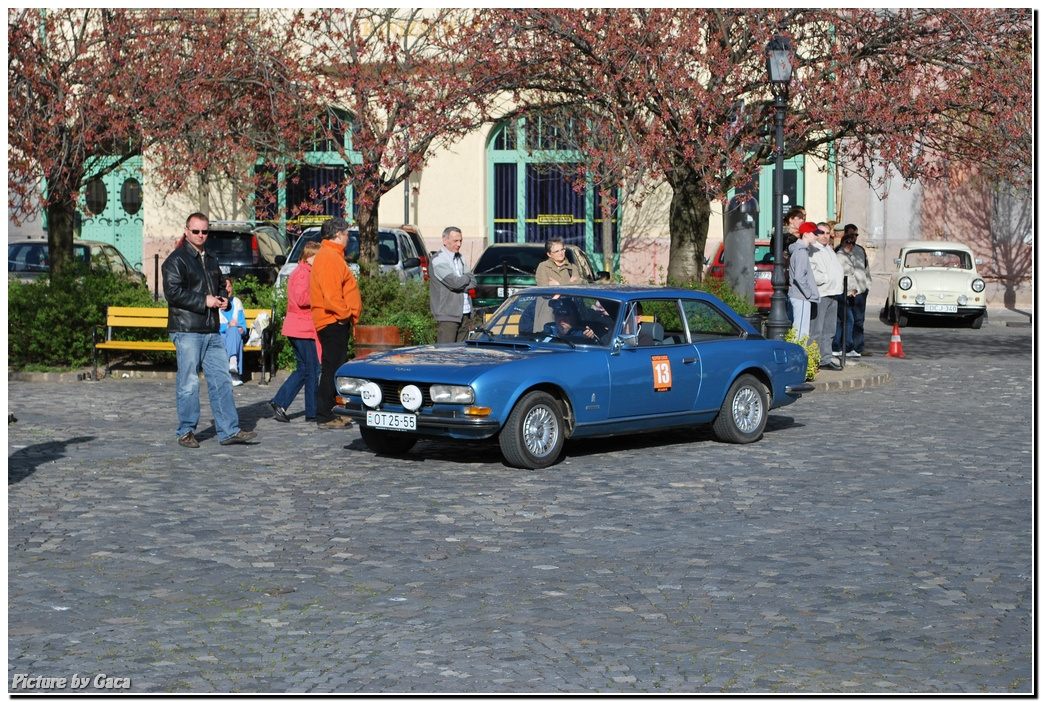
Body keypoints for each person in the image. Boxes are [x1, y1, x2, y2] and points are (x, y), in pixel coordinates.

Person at [162, 212, 256, 448]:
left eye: (204, 231)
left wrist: (224, 298)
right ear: (186, 231)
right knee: (189, 382)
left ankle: (228, 430)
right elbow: (173, 293)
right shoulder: (176, 260)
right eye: (196, 231)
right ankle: (186, 431)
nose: (201, 235)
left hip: (212, 329)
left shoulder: (212, 259)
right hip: (187, 329)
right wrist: (204, 300)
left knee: (222, 380)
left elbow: (222, 285)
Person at [310, 217, 362, 429]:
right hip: (333, 321)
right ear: (338, 234)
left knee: (334, 366)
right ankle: (325, 415)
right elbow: (332, 295)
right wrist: (344, 316)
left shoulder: (331, 255)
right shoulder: (329, 257)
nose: (349, 238)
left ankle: (331, 411)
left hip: (334, 320)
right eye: (347, 234)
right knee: (332, 368)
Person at [268, 240, 322, 423]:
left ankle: (279, 402)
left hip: (300, 327)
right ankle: (312, 412)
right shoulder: (302, 273)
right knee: (313, 369)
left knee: (304, 369)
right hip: (302, 328)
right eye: (318, 256)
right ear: (309, 256)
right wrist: (321, 293)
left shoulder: (304, 272)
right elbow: (302, 298)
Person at [429, 226, 476, 343]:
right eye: (455, 241)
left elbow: (473, 281)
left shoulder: (460, 258)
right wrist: (465, 279)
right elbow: (454, 283)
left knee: (461, 354)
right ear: (444, 240)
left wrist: (462, 281)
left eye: (461, 240)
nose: (459, 244)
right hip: (447, 314)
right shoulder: (438, 260)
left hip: (465, 312)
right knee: (446, 354)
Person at [808, 222, 844, 370]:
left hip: (833, 293)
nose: (825, 236)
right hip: (821, 293)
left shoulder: (829, 249)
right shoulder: (812, 249)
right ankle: (812, 360)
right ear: (816, 233)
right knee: (816, 329)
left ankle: (825, 359)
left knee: (829, 330)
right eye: (821, 232)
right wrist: (825, 279)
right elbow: (812, 270)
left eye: (827, 233)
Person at [835, 224, 873, 357]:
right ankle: (844, 346)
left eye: (856, 235)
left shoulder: (860, 250)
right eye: (850, 235)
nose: (853, 239)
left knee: (858, 320)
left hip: (860, 290)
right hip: (846, 291)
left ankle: (858, 347)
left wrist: (867, 285)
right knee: (845, 319)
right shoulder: (839, 251)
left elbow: (866, 268)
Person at [787, 222, 820, 340]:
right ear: (805, 234)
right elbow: (799, 277)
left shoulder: (802, 250)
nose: (817, 236)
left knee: (800, 329)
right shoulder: (801, 252)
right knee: (800, 331)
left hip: (800, 296)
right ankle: (797, 356)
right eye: (814, 233)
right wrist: (808, 293)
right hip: (800, 296)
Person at [218, 276, 247, 386]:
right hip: (221, 336)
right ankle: (233, 372)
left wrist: (241, 329)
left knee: (235, 331)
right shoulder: (217, 302)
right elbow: (216, 326)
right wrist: (228, 326)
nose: (228, 289)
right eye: (225, 287)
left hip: (234, 335)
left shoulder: (237, 302)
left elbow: (243, 326)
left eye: (230, 286)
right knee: (232, 331)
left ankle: (232, 368)